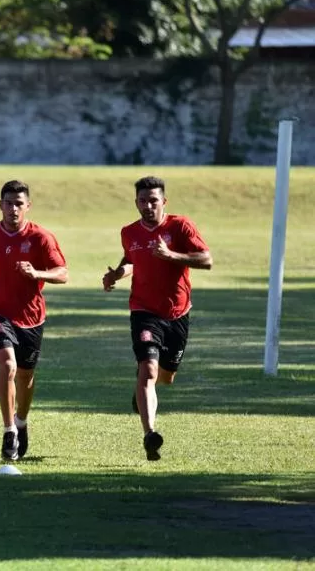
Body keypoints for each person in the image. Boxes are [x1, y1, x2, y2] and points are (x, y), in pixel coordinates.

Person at [102, 176, 212, 461]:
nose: (148, 206)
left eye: (154, 200)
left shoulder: (180, 226)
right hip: (144, 311)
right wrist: (117, 274)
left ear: (164, 201)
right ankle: (150, 434)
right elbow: (130, 260)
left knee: (165, 376)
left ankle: (141, 391)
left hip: (178, 312)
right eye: (143, 201)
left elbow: (206, 260)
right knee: (149, 370)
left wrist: (170, 254)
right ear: (136, 202)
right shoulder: (129, 232)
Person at [0, 180, 68, 462]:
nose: (13, 209)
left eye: (19, 204)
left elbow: (62, 273)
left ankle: (21, 420)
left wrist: (37, 274)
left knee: (25, 374)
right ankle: (9, 430)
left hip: (31, 316)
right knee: (7, 364)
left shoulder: (41, 238)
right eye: (8, 203)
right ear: (0, 205)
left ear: (28, 206)